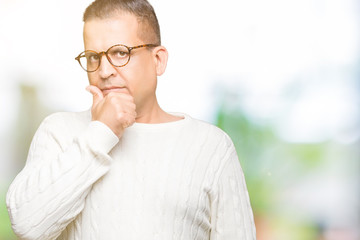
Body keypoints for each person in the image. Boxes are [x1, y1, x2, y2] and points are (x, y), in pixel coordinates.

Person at [6, 0, 256, 239]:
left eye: (119, 53)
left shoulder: (211, 147)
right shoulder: (59, 132)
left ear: (158, 60)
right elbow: (27, 225)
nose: (104, 71)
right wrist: (101, 132)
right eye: (93, 57)